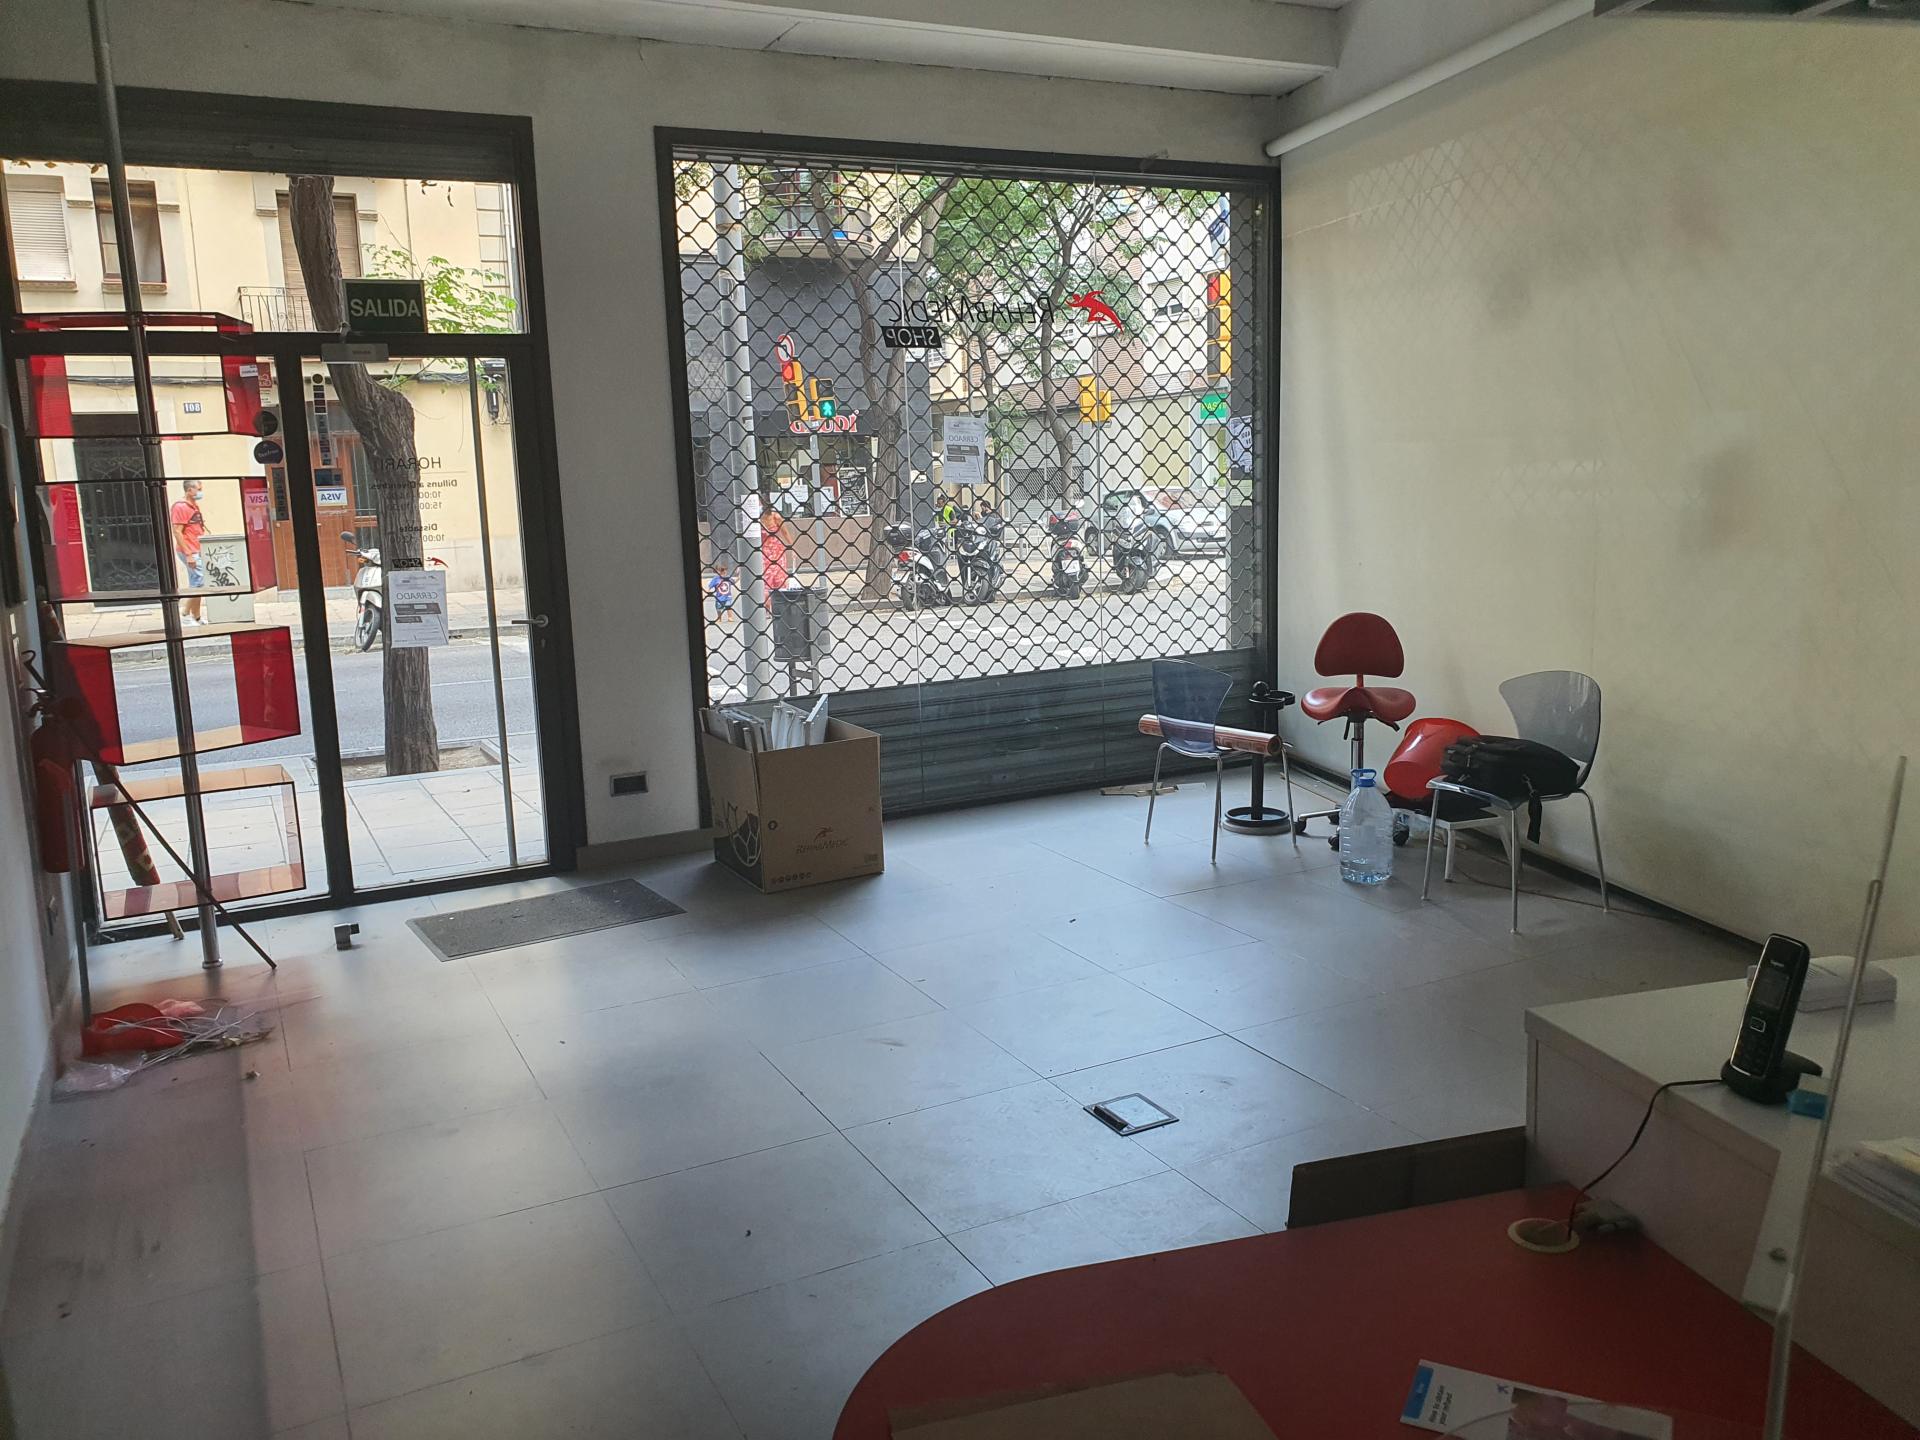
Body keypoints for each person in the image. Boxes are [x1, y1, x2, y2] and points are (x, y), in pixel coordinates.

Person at [170, 478, 208, 626]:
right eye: (199, 489)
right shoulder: (181, 507)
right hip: (189, 550)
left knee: (197, 583)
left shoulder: (193, 506)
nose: (201, 492)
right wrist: (188, 554)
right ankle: (185, 615)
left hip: (196, 549)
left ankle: (196, 616)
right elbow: (177, 532)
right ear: (189, 490)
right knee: (199, 582)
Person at [705, 558, 737, 625]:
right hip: (719, 597)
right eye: (722, 570)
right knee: (718, 608)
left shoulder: (728, 578)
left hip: (728, 596)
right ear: (718, 571)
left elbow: (734, 582)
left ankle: (730, 617)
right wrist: (708, 591)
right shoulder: (716, 579)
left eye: (725, 570)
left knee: (728, 606)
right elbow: (710, 585)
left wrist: (739, 578)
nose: (724, 572)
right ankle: (719, 618)